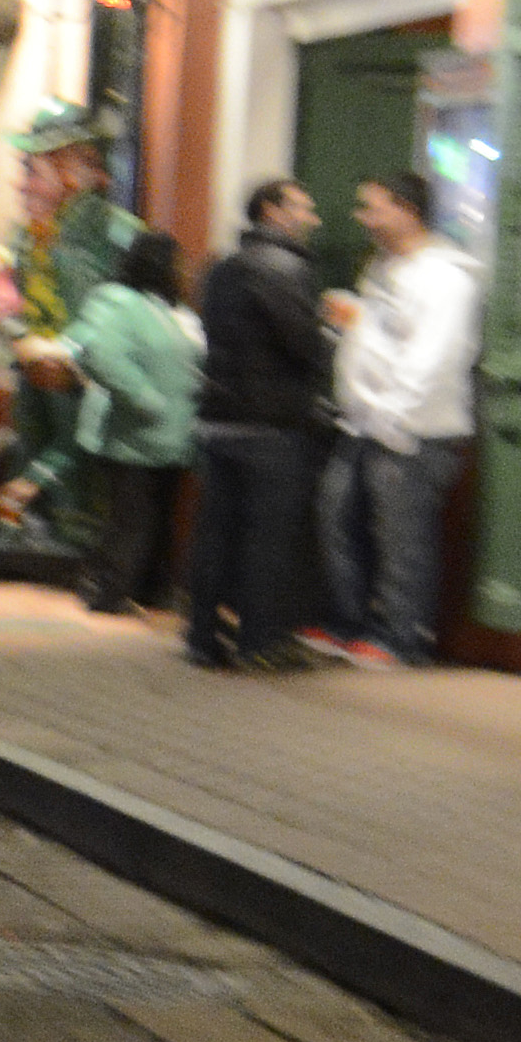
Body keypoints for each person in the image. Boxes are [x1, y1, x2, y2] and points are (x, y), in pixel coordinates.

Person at [317, 169, 482, 667]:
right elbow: (384, 337)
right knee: (338, 516)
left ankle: (401, 637)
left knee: (401, 537)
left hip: (413, 431)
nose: (363, 218)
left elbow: (435, 356)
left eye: (373, 207)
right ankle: (348, 622)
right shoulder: (382, 269)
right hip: (362, 424)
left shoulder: (446, 278)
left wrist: (393, 416)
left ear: (407, 211)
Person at [181, 178, 336, 672]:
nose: (310, 219)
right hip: (271, 424)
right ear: (272, 211)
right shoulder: (284, 268)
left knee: (215, 533)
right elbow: (303, 347)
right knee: (268, 538)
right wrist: (332, 334)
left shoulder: (221, 269)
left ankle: (202, 635)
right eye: (302, 208)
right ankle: (261, 642)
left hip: (219, 418)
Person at [50, 228, 201, 618]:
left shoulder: (172, 311)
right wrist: (145, 398)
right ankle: (109, 591)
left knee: (155, 518)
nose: (185, 270)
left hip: (171, 437)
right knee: (130, 519)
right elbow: (100, 354)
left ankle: (147, 590)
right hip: (134, 435)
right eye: (179, 263)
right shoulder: (121, 302)